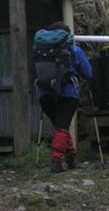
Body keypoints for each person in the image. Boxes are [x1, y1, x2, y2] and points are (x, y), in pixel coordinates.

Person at [33, 21, 92, 173]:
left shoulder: (40, 50)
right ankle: (56, 160)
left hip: (44, 94)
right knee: (62, 126)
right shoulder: (73, 49)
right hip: (67, 93)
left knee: (61, 127)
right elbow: (88, 73)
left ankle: (71, 158)